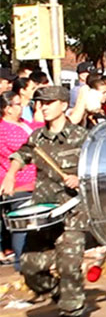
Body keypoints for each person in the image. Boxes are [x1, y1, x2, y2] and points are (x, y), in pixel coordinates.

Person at [0, 86, 90, 317]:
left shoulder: (80, 136)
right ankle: (61, 296)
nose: (44, 106)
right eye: (41, 102)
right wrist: (11, 174)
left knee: (69, 267)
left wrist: (80, 177)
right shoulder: (38, 136)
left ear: (63, 105)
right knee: (29, 266)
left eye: (50, 102)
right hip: (43, 213)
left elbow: (95, 166)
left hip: (71, 212)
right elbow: (21, 155)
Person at [0, 92, 40, 271]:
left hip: (35, 181)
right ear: (7, 109)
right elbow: (28, 147)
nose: (22, 106)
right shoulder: (4, 130)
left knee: (33, 223)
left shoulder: (23, 124)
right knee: (21, 224)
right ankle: (20, 264)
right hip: (18, 183)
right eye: (17, 104)